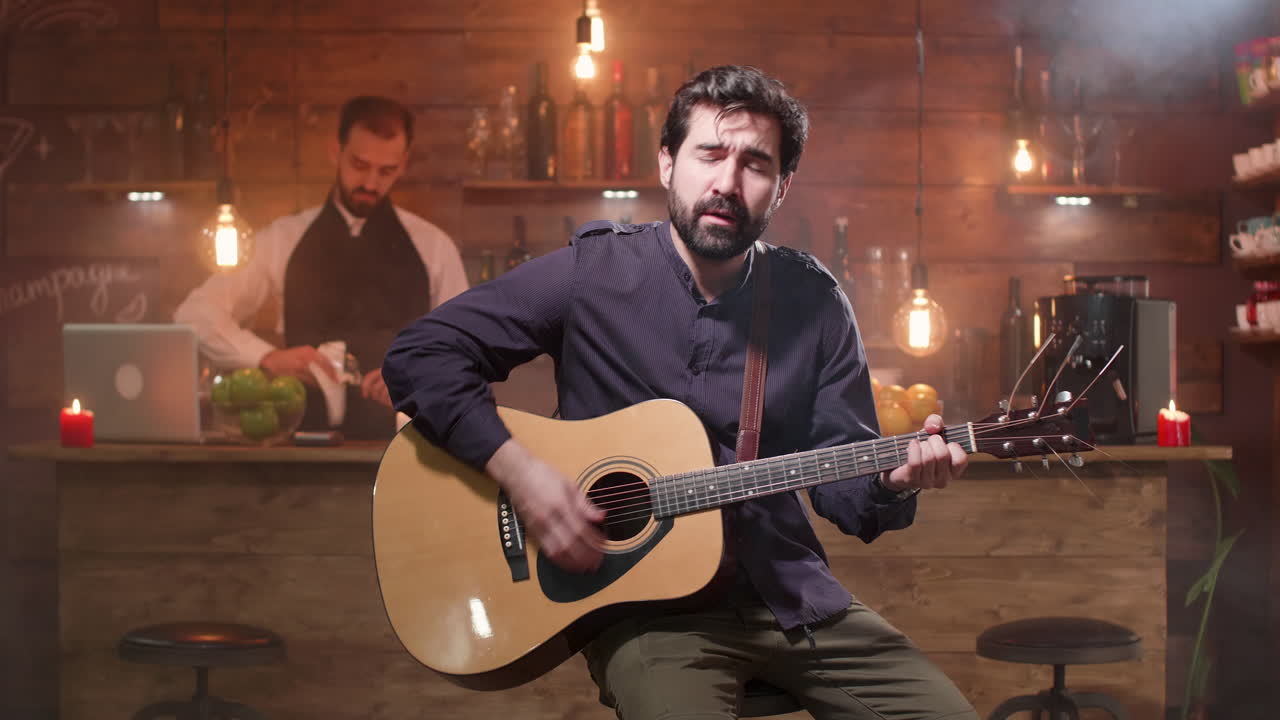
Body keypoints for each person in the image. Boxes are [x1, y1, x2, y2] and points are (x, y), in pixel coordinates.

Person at [383, 66, 976, 719]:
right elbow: (420, 355)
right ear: (667, 163)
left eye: (755, 164)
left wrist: (895, 479)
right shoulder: (592, 274)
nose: (727, 183)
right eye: (709, 155)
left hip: (791, 596)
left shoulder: (815, 302)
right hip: (651, 616)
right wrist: (521, 475)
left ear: (782, 188)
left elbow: (846, 494)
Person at [175, 95, 467, 439]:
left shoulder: (434, 247)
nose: (370, 183)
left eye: (386, 171)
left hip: (406, 450)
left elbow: (469, 349)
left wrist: (418, 378)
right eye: (359, 165)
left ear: (403, 165)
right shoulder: (283, 238)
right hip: (300, 448)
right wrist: (267, 357)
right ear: (335, 152)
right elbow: (194, 315)